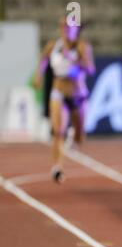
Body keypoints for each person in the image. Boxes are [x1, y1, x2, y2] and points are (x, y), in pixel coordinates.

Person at [33, 18, 95, 184]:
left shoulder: (82, 47)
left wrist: (75, 60)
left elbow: (90, 68)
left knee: (80, 137)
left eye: (69, 28)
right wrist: (38, 75)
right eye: (63, 27)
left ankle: (74, 135)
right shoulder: (53, 46)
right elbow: (43, 59)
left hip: (78, 96)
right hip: (58, 93)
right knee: (57, 132)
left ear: (76, 30)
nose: (65, 30)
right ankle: (57, 167)